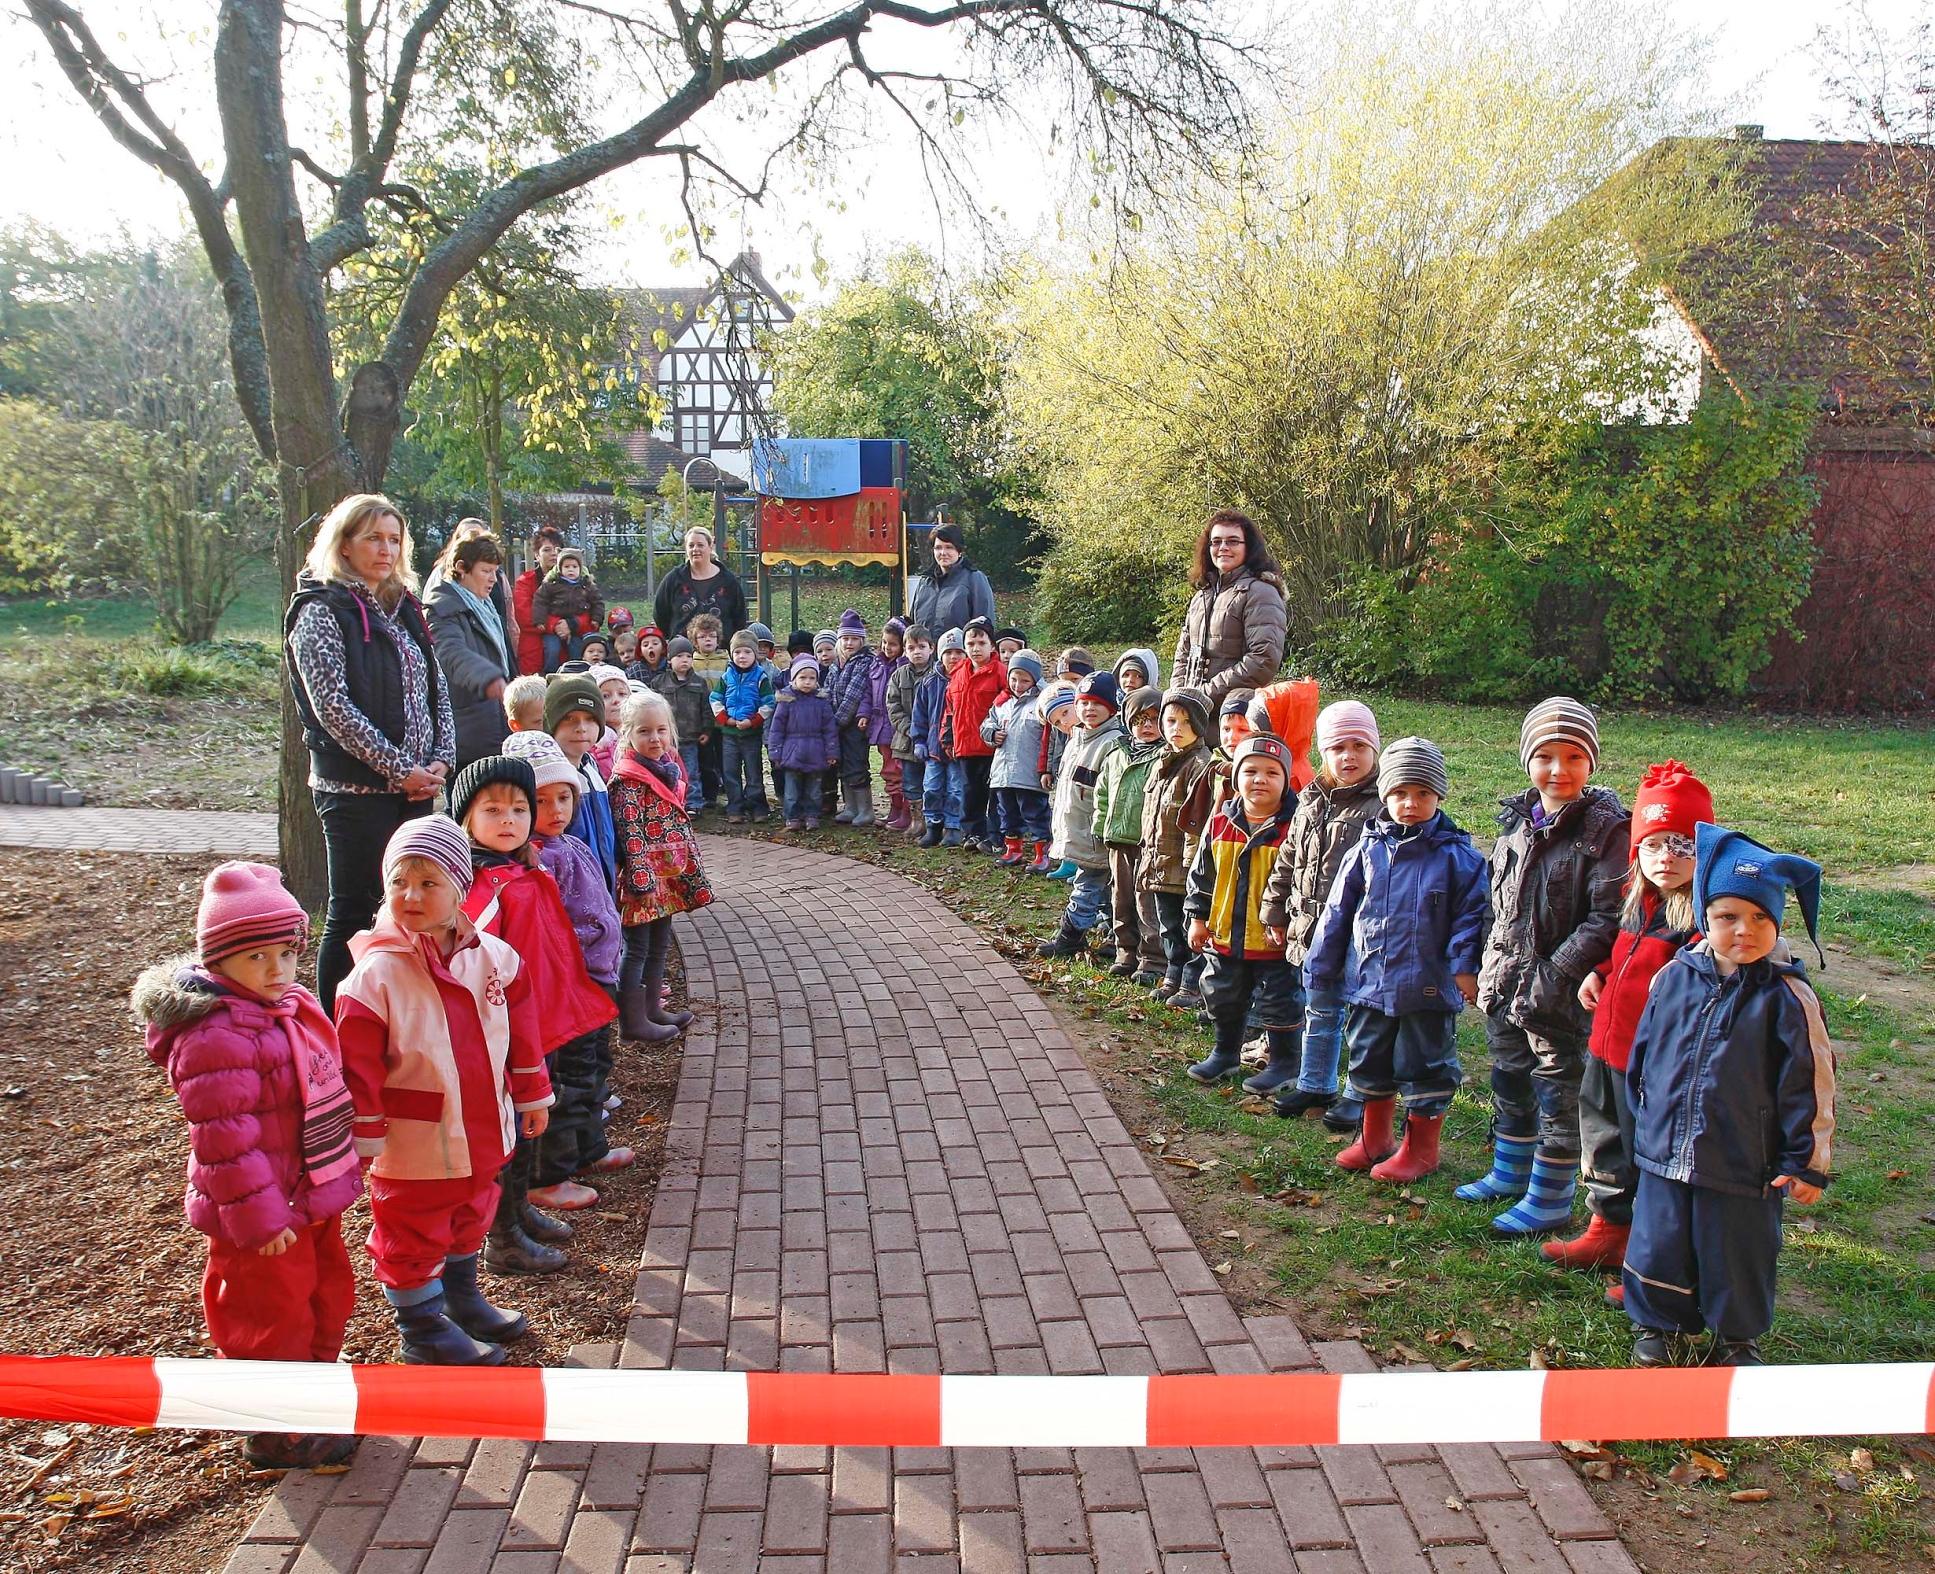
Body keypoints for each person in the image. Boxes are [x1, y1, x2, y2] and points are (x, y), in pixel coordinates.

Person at [133, 863, 362, 1471]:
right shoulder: (215, 1036)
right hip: (260, 1212)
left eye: (286, 953)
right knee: (267, 1315)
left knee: (325, 1296)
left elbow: (325, 1085)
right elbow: (224, 1142)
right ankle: (275, 1429)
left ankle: (311, 1398)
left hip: (305, 1194)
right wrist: (260, 1218)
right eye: (256, 957)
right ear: (218, 962)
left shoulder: (290, 1006)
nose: (277, 971)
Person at [334, 815, 553, 1366]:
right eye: (399, 883)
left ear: (459, 888)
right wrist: (363, 1134)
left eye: (429, 883)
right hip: (415, 1142)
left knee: (471, 1214)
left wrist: (531, 1093)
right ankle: (422, 1327)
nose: (411, 895)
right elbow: (355, 1067)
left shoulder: (496, 959)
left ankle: (459, 1295)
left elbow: (522, 1034)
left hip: (482, 1125)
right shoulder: (374, 977)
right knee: (411, 1233)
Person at [1623, 824, 1834, 1368]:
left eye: (1760, 917)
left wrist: (1805, 1161)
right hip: (1665, 1150)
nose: (1745, 930)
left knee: (1736, 1250)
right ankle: (1658, 1322)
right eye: (1727, 917)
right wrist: (1645, 1125)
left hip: (1745, 1160)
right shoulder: (1673, 977)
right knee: (1659, 1240)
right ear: (1702, 917)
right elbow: (1644, 1056)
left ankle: (1736, 1335)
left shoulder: (1788, 996)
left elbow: (1809, 1082)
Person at [1458, 698, 1629, 1237]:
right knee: (1508, 1076)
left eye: (1574, 757)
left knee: (1558, 1088)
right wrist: (1486, 963)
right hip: (1505, 984)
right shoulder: (1516, 824)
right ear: (1527, 761)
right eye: (1546, 757)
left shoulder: (1606, 834)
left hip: (1559, 994)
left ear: (1592, 764)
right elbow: (1497, 901)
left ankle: (1550, 1196)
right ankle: (1509, 1170)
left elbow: (1608, 917)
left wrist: (1556, 973)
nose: (1559, 770)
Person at [447, 755, 621, 1260]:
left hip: (535, 1024)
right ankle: (501, 1238)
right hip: (501, 1034)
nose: (508, 820)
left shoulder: (523, 868)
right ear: (467, 820)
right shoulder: (483, 887)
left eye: (519, 810)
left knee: (527, 1119)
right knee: (505, 1127)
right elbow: (473, 964)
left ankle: (518, 1208)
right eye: (493, 810)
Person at [285, 493, 453, 1013]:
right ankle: (337, 1033)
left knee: (404, 911)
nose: (386, 549)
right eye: (373, 538)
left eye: (394, 539)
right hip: (355, 793)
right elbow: (333, 707)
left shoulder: (403, 607)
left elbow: (437, 688)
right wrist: (400, 769)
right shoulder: (319, 611)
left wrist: (441, 759)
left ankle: (390, 1019)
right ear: (344, 543)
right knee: (353, 910)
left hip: (415, 790)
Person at [1550, 761, 1714, 1295]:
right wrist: (1598, 975)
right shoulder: (1639, 902)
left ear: (1705, 851)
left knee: (1652, 1156)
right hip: (1607, 1047)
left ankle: (1651, 1257)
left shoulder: (1701, 922)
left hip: (1656, 1068)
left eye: (1682, 845)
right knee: (1603, 1141)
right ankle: (1607, 1229)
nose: (1666, 857)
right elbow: (1624, 957)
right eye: (1653, 844)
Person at [1303, 738, 1490, 1179]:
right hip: (1370, 984)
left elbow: (1472, 917)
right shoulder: (1366, 850)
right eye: (1401, 793)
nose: (1410, 803)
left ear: (1439, 796)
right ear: (1385, 794)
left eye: (1423, 794)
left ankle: (1421, 1149)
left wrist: (1465, 968)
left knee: (1425, 1065)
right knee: (1369, 1057)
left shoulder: (1459, 857)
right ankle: (1375, 1139)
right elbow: (1337, 913)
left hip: (1426, 987)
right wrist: (1322, 965)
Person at [500, 732, 621, 1252]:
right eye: (540, 801)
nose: (555, 810)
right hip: (565, 985)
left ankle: (590, 1145)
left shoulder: (570, 845)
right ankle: (554, 1173)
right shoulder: (535, 860)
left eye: (564, 797)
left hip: (595, 978)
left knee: (595, 1065)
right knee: (566, 1075)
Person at [1264, 701, 1383, 1126]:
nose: (1348, 756)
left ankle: (1358, 1092)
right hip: (1310, 926)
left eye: (1359, 746)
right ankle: (1315, 1083)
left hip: (1359, 932)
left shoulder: (1381, 805)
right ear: (1323, 753)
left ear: (1375, 750)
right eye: (1338, 748)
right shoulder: (1311, 799)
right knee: (1320, 1008)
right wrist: (1276, 911)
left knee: (1360, 1015)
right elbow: (1288, 859)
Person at [1180, 733, 1299, 1085]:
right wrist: (1198, 918)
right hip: (1224, 933)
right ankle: (1225, 1053)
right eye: (1250, 771)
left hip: (1273, 939)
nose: (1260, 779)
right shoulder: (1219, 823)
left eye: (1271, 773)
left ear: (1285, 780)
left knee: (1280, 1000)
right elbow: (1201, 876)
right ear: (1236, 778)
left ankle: (1284, 1062)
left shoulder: (1293, 828)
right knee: (1223, 994)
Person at [610, 689, 715, 1041]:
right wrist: (641, 878)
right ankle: (631, 1021)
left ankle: (652, 1007)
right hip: (644, 880)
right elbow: (630, 831)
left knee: (660, 943)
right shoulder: (628, 780)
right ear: (628, 734)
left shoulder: (666, 770)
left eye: (660, 730)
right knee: (637, 947)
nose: (654, 738)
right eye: (643, 731)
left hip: (667, 877)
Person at [1038, 672, 1126, 958]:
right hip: (1076, 829)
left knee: (1086, 886)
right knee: (1103, 890)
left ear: (1111, 707)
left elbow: (1110, 795)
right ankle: (1119, 935)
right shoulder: (1076, 740)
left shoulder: (1112, 742)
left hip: (1095, 834)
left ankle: (1070, 935)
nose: (1089, 709)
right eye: (1084, 703)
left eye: (1096, 703)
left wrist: (1102, 830)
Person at [1139, 687, 1215, 1003]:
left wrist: (1192, 866)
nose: (1176, 730)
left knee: (1190, 927)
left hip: (1184, 868)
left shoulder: (1200, 764)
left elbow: (1198, 820)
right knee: (1169, 926)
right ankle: (1173, 974)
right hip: (1160, 862)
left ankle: (1191, 982)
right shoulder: (1162, 760)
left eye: (1186, 723)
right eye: (1171, 721)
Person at [1172, 508, 1289, 706]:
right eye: (1216, 542)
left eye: (1232, 541)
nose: (1223, 547)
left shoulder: (1261, 593)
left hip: (1235, 715)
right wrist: (1178, 697)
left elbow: (1262, 660)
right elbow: (1183, 654)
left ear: (1248, 547)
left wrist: (1204, 696)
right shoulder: (1201, 596)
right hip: (1192, 715)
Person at [425, 533, 516, 769]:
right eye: (486, 571)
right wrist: (489, 678)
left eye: (495, 571)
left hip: (494, 723)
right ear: (461, 569)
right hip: (467, 730)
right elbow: (450, 653)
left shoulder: (485, 608)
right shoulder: (442, 609)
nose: (493, 579)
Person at [1094, 688, 1167, 981]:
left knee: (1146, 901)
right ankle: (1126, 949)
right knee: (1120, 898)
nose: (1146, 726)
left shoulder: (1165, 756)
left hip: (1148, 843)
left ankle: (1153, 958)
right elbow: (1102, 794)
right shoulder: (1116, 754)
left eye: (1153, 719)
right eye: (1139, 720)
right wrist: (1100, 827)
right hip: (1118, 839)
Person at [940, 615, 1008, 849]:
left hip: (991, 747)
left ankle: (995, 836)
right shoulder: (958, 673)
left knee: (994, 794)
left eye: (981, 643)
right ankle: (972, 833)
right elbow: (949, 710)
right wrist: (947, 737)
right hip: (966, 746)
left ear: (992, 645)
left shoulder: (1001, 673)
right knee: (970, 793)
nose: (976, 649)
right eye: (970, 644)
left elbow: (1007, 707)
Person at [546, 675, 616, 893]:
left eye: (590, 719)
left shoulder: (591, 767)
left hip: (603, 879)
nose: (581, 728)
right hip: (571, 888)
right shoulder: (549, 777)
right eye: (569, 718)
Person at [982, 648, 1050, 868]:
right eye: (1013, 679)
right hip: (1002, 773)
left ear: (1034, 679)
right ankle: (1013, 849)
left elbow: (1050, 737)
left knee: (1034, 813)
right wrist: (992, 734)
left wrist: (1047, 769)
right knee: (1007, 813)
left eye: (1024, 680)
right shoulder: (1002, 703)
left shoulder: (1043, 702)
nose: (1018, 685)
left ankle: (1043, 853)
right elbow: (986, 723)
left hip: (1029, 773)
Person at [767, 654, 839, 832]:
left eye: (812, 678)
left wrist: (831, 753)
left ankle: (812, 815)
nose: (807, 682)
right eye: (802, 678)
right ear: (793, 678)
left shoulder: (822, 702)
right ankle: (792, 816)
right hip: (792, 752)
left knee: (814, 790)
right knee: (792, 790)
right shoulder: (786, 701)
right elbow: (776, 729)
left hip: (816, 752)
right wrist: (775, 753)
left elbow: (830, 730)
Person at [712, 628, 777, 823]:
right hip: (729, 733)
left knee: (753, 771)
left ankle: (757, 807)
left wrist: (754, 720)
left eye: (747, 652)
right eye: (738, 652)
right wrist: (725, 719)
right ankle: (735, 808)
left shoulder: (760, 677)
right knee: (731, 772)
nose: (742, 656)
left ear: (755, 654)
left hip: (751, 733)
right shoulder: (727, 676)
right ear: (732, 654)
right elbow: (715, 699)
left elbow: (768, 703)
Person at [825, 609, 882, 827]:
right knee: (842, 766)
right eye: (845, 639)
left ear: (861, 640)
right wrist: (827, 720)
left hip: (853, 725)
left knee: (856, 764)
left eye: (854, 639)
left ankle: (865, 809)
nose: (849, 643)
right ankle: (850, 807)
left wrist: (836, 722)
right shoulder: (837, 663)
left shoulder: (864, 661)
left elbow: (853, 696)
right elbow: (828, 691)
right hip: (836, 725)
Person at [652, 525, 749, 641]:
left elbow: (739, 617)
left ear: (710, 547)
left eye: (700, 545)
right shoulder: (674, 579)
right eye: (691, 545)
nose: (695, 549)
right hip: (683, 654)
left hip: (720, 653)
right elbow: (660, 614)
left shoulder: (728, 581)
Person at [886, 625, 937, 839]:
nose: (917, 651)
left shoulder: (938, 673)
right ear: (905, 651)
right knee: (911, 782)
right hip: (906, 742)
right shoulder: (899, 676)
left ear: (931, 648)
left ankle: (935, 821)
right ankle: (917, 821)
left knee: (933, 782)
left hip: (933, 740)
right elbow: (893, 707)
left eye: (921, 647)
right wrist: (910, 730)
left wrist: (929, 731)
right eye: (911, 647)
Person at [912, 628, 962, 846]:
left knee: (955, 789)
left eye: (958, 652)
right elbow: (919, 715)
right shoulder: (929, 682)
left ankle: (953, 827)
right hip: (933, 748)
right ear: (939, 654)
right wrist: (919, 740)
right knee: (931, 787)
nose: (953, 657)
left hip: (958, 749)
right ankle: (933, 825)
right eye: (948, 652)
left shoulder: (966, 682)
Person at [651, 637, 713, 812]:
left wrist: (707, 730)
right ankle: (669, 801)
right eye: (679, 656)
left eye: (688, 656)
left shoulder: (699, 683)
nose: (684, 660)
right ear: (670, 659)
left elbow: (706, 708)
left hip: (689, 738)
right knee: (665, 771)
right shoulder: (659, 682)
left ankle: (693, 802)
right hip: (666, 739)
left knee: (691, 772)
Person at [907, 521, 996, 636]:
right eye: (938, 548)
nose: (943, 553)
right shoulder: (925, 582)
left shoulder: (974, 579)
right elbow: (913, 625)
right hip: (924, 652)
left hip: (959, 652)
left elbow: (985, 625)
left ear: (959, 550)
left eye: (949, 547)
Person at [532, 546, 606, 671]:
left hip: (577, 628)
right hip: (554, 625)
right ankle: (550, 674)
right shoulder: (551, 584)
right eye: (566, 567)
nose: (570, 570)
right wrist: (539, 620)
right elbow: (540, 601)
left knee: (577, 650)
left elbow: (597, 602)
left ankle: (577, 673)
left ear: (580, 568)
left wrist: (596, 619)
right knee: (552, 650)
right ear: (559, 568)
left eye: (574, 567)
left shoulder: (586, 585)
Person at [1035, 681, 1081, 878]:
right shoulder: (1062, 733)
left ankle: (1080, 865)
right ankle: (1067, 861)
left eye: (1065, 713)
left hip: (1083, 788)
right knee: (1063, 820)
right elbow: (1053, 749)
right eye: (1056, 722)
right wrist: (1049, 771)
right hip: (1063, 779)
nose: (1064, 722)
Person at [872, 618, 911, 830]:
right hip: (881, 727)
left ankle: (906, 811)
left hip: (899, 728)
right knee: (888, 770)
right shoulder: (877, 663)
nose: (887, 647)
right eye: (884, 642)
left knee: (900, 770)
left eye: (893, 644)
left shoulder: (904, 667)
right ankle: (894, 808)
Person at [513, 526, 564, 675]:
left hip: (567, 652)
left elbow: (587, 610)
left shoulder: (577, 582)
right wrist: (555, 625)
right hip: (534, 654)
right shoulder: (525, 582)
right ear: (536, 555)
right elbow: (524, 615)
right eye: (547, 550)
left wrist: (573, 624)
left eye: (557, 549)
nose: (554, 554)